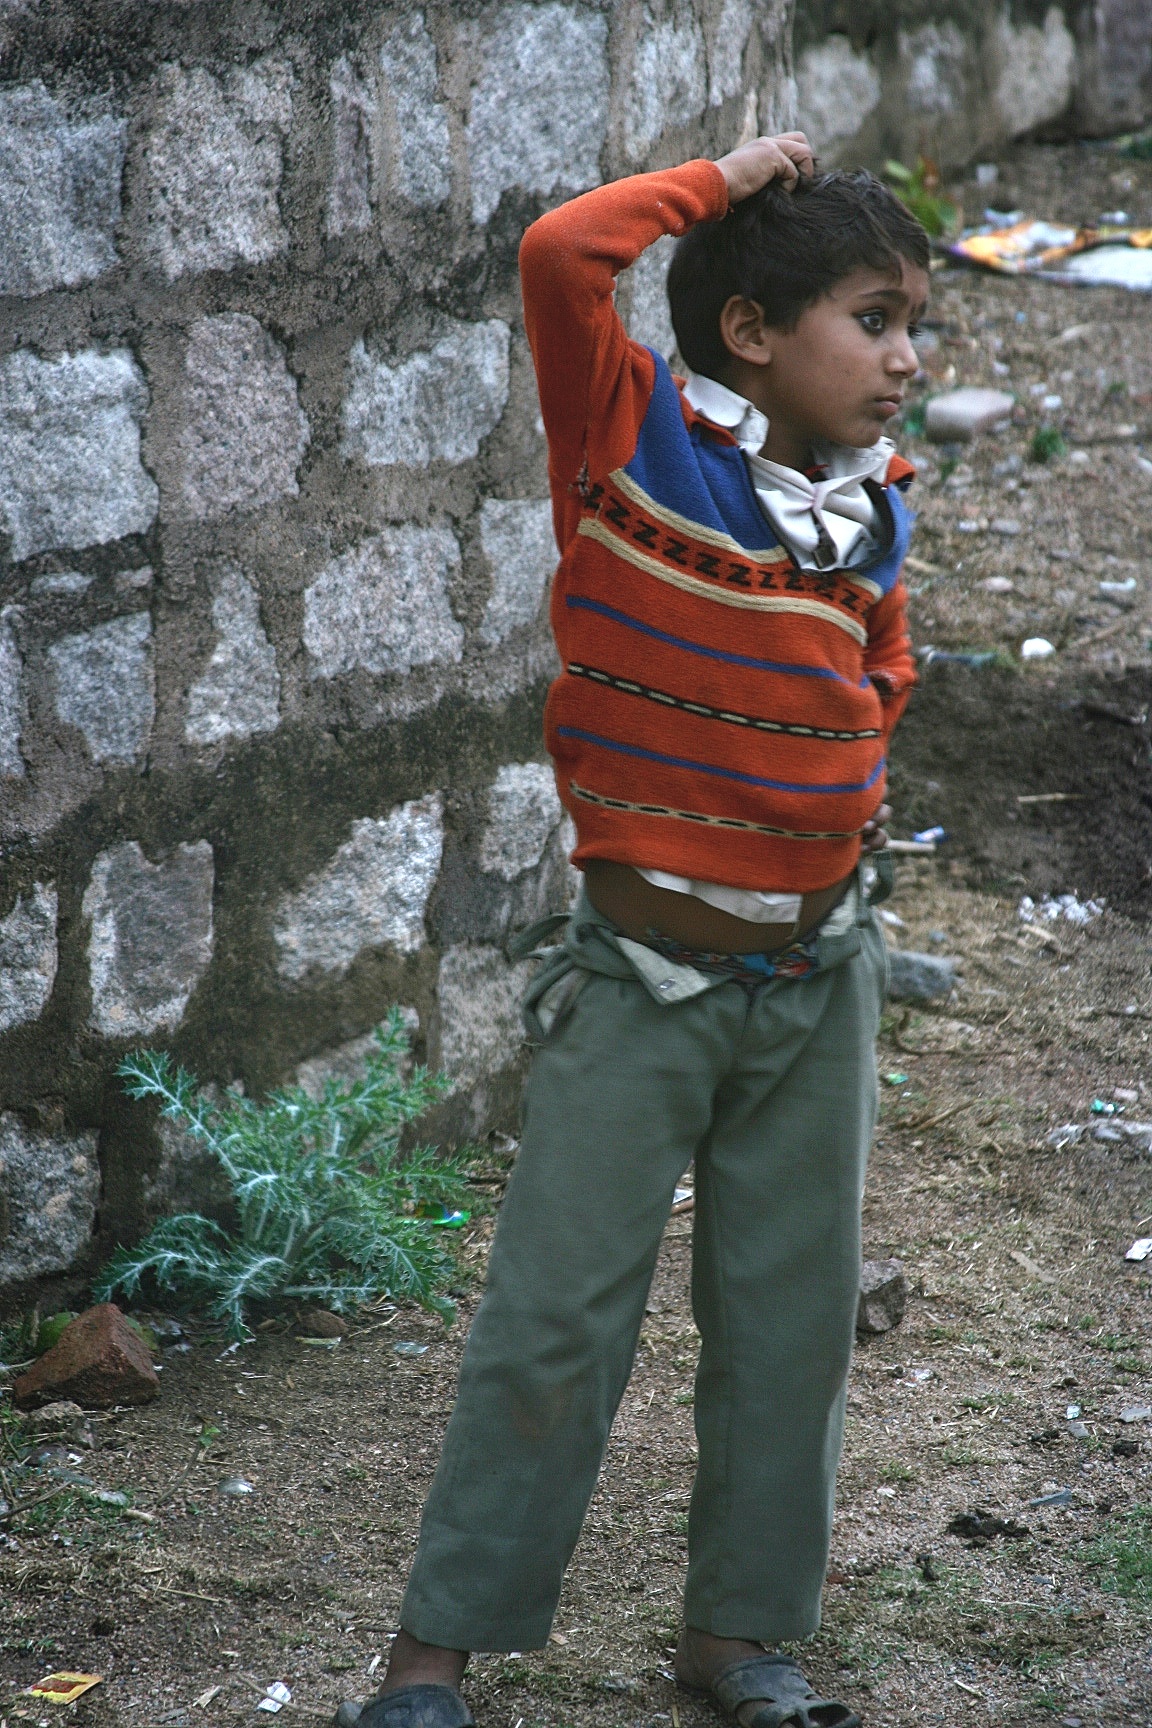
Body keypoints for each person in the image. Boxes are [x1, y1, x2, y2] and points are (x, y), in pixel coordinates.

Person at [337, 131, 929, 1728]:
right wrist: (732, 176)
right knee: (556, 1315)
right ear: (751, 332)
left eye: (911, 327)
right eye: (872, 319)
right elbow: (560, 257)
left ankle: (740, 1638)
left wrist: (854, 756)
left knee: (792, 1320)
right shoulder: (631, 435)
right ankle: (433, 1657)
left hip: (817, 980)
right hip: (643, 986)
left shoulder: (872, 502)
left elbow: (882, 661)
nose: (902, 359)